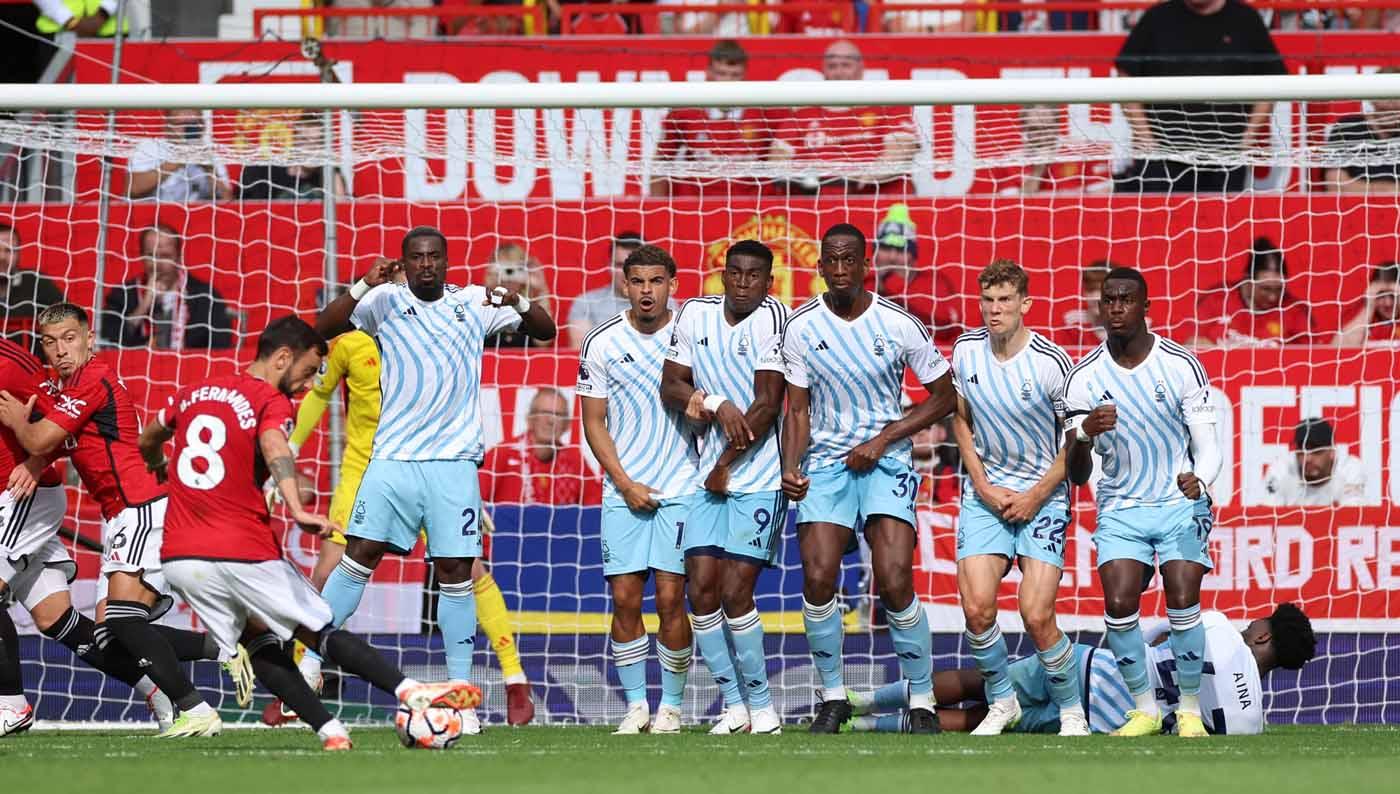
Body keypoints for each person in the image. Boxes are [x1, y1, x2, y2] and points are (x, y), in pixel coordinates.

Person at [139, 315, 481, 751]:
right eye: (306, 372)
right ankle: (411, 692)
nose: (305, 386)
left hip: (182, 557)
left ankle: (330, 731)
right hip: (241, 549)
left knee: (258, 640)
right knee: (317, 629)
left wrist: (158, 466)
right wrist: (298, 506)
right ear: (283, 357)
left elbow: (149, 436)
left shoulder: (193, 393)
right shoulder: (267, 400)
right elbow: (275, 446)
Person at [304, 227, 553, 730]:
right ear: (404, 262)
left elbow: (545, 330)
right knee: (358, 557)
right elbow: (320, 328)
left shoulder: (475, 302)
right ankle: (308, 666)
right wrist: (360, 286)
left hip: (453, 466)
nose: (425, 265)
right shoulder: (385, 301)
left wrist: (519, 300)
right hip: (391, 462)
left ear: (446, 260)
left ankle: (458, 692)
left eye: (434, 256)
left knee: (459, 572)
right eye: (416, 257)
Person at [0, 303, 231, 738]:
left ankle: (194, 707)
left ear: (90, 338)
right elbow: (60, 439)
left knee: (123, 621)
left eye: (70, 339)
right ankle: (230, 650)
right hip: (124, 512)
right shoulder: (66, 384)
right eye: (50, 343)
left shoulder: (92, 380)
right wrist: (35, 454)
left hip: (139, 506)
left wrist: (20, 427)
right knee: (111, 630)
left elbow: (40, 435)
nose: (60, 350)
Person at [780, 223, 956, 734]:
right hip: (827, 465)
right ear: (820, 268)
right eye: (830, 261)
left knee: (895, 578)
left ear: (864, 266)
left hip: (886, 462)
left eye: (848, 261)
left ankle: (921, 698)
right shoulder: (800, 326)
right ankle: (833, 696)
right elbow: (796, 408)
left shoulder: (898, 324)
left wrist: (884, 439)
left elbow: (945, 396)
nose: (839, 270)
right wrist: (791, 466)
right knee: (817, 578)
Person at [1064, 267, 1223, 738]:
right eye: (1108, 300)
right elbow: (1077, 474)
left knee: (1181, 596)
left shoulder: (1180, 364)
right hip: (1121, 506)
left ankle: (1190, 710)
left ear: (1145, 307)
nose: (1116, 308)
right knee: (1117, 602)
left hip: (1178, 501)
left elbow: (1208, 444)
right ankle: (1146, 711)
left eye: (1126, 300)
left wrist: (1201, 478)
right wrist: (1082, 435)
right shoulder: (1083, 378)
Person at [0, 334, 174, 736]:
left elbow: (59, 421)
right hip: (11, 504)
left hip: (23, 495)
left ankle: (9, 705)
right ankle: (158, 689)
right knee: (55, 618)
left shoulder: (11, 363)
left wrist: (35, 460)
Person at [948, 260, 1085, 736]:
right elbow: (959, 419)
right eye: (987, 300)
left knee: (1036, 613)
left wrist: (1035, 496)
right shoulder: (965, 352)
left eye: (1005, 300)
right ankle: (1003, 702)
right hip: (987, 494)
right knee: (978, 607)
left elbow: (1075, 442)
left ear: (1025, 304)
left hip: (1042, 496)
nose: (994, 309)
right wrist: (982, 484)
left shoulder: (1051, 363)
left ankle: (1071, 711)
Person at [659, 239, 787, 736]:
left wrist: (724, 465)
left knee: (737, 592)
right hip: (704, 480)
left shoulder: (774, 319)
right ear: (723, 275)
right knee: (701, 592)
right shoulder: (693, 313)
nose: (742, 282)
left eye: (753, 275)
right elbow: (672, 385)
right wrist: (713, 402)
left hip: (756, 479)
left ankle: (763, 708)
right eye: (734, 273)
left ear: (768, 281)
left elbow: (767, 403)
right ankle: (734, 706)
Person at [846, 603, 1316, 736]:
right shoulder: (1251, 724)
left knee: (983, 682)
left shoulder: (1215, 625)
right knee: (985, 723)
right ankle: (869, 726)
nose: (1251, 620)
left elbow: (1145, 634)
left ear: (1263, 635)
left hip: (1096, 669)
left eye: (1259, 619)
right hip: (1104, 720)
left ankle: (863, 701)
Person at [577, 244, 697, 735]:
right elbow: (593, 421)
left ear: (673, 284)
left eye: (656, 282)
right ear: (624, 285)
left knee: (672, 599)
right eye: (638, 282)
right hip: (624, 491)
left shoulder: (691, 337)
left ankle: (670, 705)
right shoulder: (602, 342)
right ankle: (635, 705)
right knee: (625, 599)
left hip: (682, 487)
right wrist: (625, 484)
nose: (647, 291)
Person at [1114, 0, 1285, 193]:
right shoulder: (1157, 17)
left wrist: (1247, 139)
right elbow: (1126, 74)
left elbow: (1270, 82)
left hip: (1227, 158)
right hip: (1163, 158)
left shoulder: (1246, 19)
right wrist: (1145, 137)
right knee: (1162, 223)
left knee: (1223, 222)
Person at [770, 41, 918, 195]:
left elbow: (902, 150)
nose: (839, 72)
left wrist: (864, 176)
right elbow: (777, 160)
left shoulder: (887, 105)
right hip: (814, 200)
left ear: (861, 69)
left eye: (846, 65)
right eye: (832, 66)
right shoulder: (802, 114)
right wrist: (805, 178)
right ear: (823, 72)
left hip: (875, 196)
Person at [650, 40, 772, 198]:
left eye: (734, 75)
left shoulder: (765, 112)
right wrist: (658, 211)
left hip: (752, 212)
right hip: (698, 210)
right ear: (708, 72)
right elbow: (661, 162)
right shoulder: (686, 111)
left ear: (744, 75)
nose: (728, 81)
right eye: (721, 73)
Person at [101, 224, 236, 350]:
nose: (158, 264)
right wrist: (144, 306)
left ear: (178, 257)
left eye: (165, 256)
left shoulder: (205, 295)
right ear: (141, 257)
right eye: (151, 256)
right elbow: (108, 341)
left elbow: (221, 345)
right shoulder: (123, 294)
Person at [480, 387, 600, 506]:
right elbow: (473, 503)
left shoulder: (575, 462)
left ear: (567, 425)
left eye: (558, 415)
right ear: (530, 419)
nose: (550, 420)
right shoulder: (502, 454)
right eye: (544, 413)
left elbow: (596, 508)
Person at [1191, 238, 1316, 347]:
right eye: (1265, 289)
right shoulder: (1217, 300)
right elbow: (1189, 343)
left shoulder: (1296, 312)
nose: (1273, 297)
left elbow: (1313, 356)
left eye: (1279, 289)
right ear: (1248, 279)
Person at [868, 204, 962, 345]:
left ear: (912, 256)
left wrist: (892, 297)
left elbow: (949, 329)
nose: (892, 257)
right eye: (886, 248)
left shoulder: (933, 283)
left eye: (901, 250)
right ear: (875, 253)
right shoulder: (863, 286)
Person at [126, 109, 233, 202]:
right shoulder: (149, 148)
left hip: (198, 218)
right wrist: (177, 160)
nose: (187, 130)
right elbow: (133, 189)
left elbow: (227, 200)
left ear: (203, 126)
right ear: (167, 127)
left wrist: (209, 170)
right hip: (155, 218)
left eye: (193, 124)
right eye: (181, 124)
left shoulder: (209, 153)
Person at [238, 113, 348, 202]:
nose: (311, 148)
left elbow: (341, 210)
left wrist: (331, 169)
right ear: (294, 141)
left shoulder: (328, 176)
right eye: (305, 140)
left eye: (319, 142)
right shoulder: (261, 173)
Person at [1325, 71, 1400, 194]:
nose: (1391, 102)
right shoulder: (1347, 128)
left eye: (1397, 95)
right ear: (1372, 97)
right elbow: (1334, 185)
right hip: (1351, 209)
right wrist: (1389, 190)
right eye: (1386, 94)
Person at [1262, 419, 1366, 506]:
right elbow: (1268, 516)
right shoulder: (1282, 469)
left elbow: (1353, 516)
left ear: (1332, 452)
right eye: (1301, 451)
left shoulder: (1349, 468)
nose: (1307, 459)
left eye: (1316, 451)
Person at [566, 232, 644, 349]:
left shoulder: (666, 303)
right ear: (609, 266)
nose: (627, 273)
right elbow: (581, 354)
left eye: (635, 266)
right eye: (619, 265)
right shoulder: (586, 303)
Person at [0, 224, 64, 348]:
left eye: (9, 250)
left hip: (31, 364)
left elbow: (68, 319)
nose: (2, 257)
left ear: (18, 253)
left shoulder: (36, 283)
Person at [483, 243, 554, 349]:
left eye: (516, 269)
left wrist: (541, 291)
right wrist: (488, 288)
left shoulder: (531, 306)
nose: (509, 277)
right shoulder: (482, 303)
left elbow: (543, 343)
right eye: (504, 270)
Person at [1337, 263, 1400, 345]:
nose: (1388, 303)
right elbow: (1337, 350)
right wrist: (1368, 308)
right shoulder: (1358, 315)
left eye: (1393, 296)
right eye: (1381, 295)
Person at [1053, 261, 1112, 349]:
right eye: (1090, 290)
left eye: (1103, 290)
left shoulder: (1135, 326)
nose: (1096, 297)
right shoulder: (1074, 324)